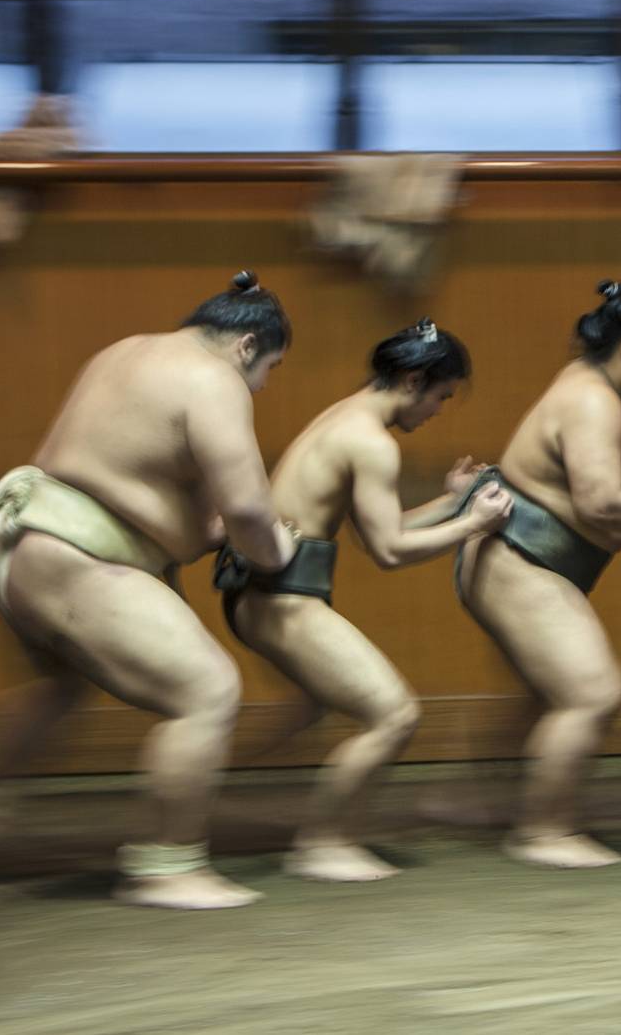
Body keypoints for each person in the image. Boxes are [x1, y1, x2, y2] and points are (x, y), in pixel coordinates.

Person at [0, 271, 298, 910]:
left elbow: (138, 479)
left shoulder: (125, 351)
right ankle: (166, 865)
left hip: (21, 550)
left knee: (56, 686)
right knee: (207, 692)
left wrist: (203, 532)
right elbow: (247, 508)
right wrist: (275, 550)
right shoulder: (213, 377)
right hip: (81, 563)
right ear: (246, 346)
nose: (262, 385)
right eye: (268, 368)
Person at [217, 319, 511, 882]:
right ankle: (323, 844)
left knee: (310, 707)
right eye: (440, 397)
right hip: (281, 599)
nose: (438, 412)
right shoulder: (371, 442)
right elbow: (390, 552)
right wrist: (473, 524)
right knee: (393, 714)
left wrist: (454, 505)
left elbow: (384, 527)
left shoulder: (345, 419)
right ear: (412, 380)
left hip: (261, 592)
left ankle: (209, 782)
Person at [454, 280, 621, 869]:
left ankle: (503, 808)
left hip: (531, 562)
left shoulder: (607, 394)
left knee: (548, 696)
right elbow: (602, 501)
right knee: (591, 693)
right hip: (517, 560)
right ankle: (542, 831)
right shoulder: (590, 400)